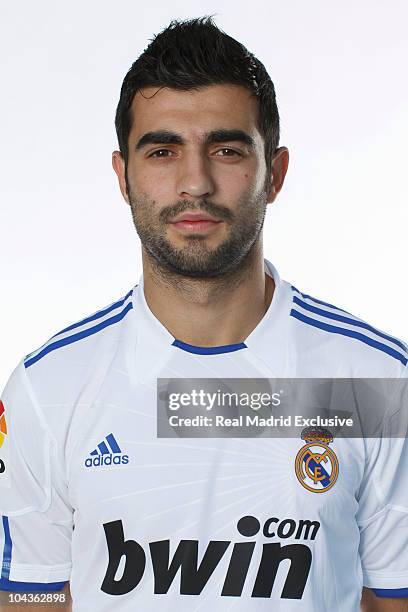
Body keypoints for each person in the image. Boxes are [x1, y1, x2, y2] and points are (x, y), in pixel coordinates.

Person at [0, 16, 407, 612]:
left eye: (226, 148)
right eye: (163, 150)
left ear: (276, 173)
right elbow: (31, 602)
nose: (195, 182)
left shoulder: (376, 385)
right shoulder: (46, 390)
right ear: (124, 177)